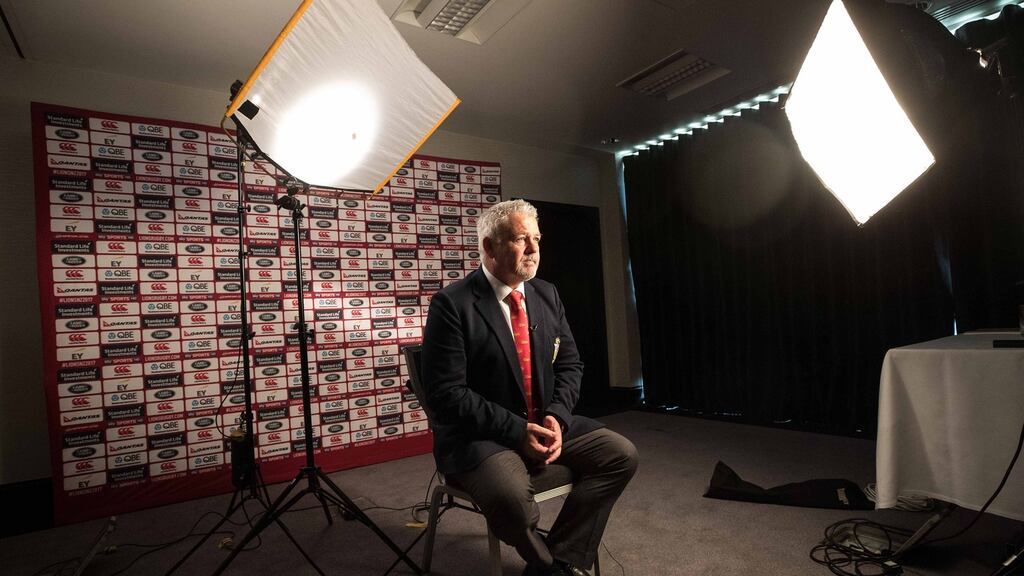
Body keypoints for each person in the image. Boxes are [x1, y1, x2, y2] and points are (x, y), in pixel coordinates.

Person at [420, 199, 638, 576]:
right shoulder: (451, 305)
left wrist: (557, 418)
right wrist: (517, 431)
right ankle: (546, 565)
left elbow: (570, 364)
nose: (535, 250)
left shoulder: (546, 294)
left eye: (536, 238)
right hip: (482, 436)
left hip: (544, 423)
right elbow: (447, 395)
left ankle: (555, 561)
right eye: (522, 239)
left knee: (621, 454)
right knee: (512, 501)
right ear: (489, 246)